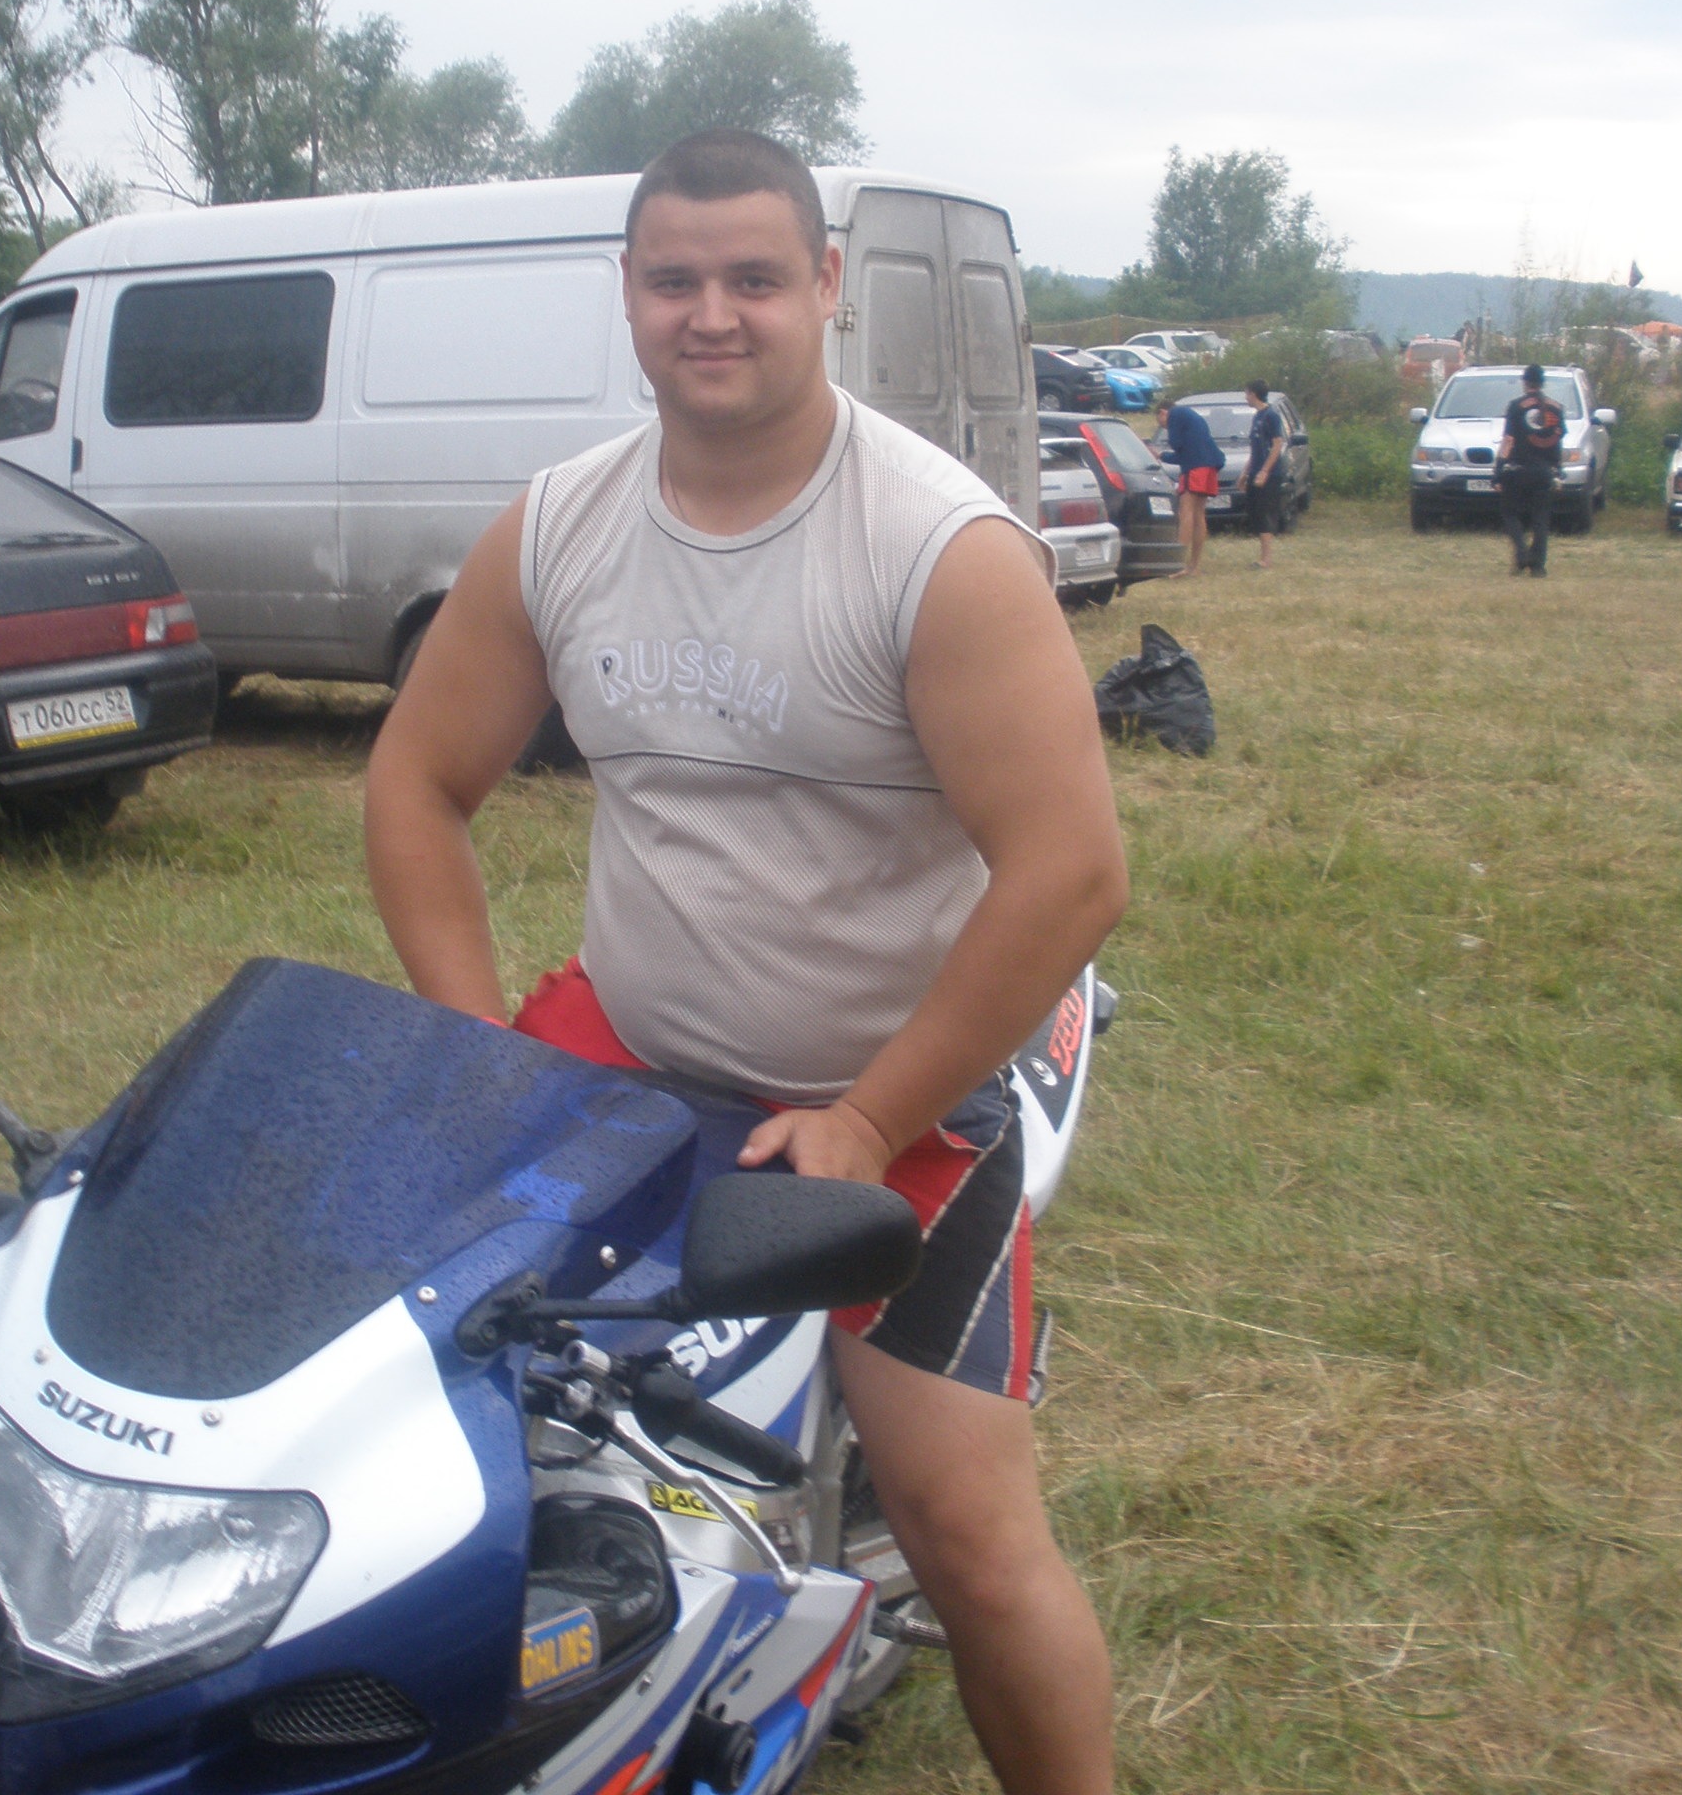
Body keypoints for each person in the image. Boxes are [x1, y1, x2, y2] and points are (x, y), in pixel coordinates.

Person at [367, 130, 1127, 1795]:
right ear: (628, 295)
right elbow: (415, 783)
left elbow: (1071, 873)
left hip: (897, 1104)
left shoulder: (938, 548)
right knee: (421, 1384)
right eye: (675, 281)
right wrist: (470, 1050)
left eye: (755, 279)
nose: (712, 314)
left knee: (970, 1532)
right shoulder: (561, 526)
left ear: (826, 288)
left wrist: (870, 1117)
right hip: (626, 1047)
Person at [1498, 363, 1566, 576]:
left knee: (1510, 513)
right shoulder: (1556, 408)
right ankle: (1537, 566)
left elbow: (1508, 440)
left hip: (1518, 469)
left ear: (1525, 382)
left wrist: (1498, 470)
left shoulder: (1516, 407)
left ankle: (1521, 553)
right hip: (1544, 471)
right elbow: (1557, 441)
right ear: (1542, 383)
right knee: (1541, 518)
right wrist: (1557, 469)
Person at [1155, 393, 1221, 574]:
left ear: (1163, 412)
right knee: (1199, 514)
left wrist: (1163, 450)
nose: (1165, 427)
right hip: (1209, 466)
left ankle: (1178, 564)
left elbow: (1176, 445)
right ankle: (1193, 565)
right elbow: (1183, 454)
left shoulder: (1175, 414)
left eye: (1163, 424)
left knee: (1186, 512)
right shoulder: (1191, 417)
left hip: (1195, 468)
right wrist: (1161, 455)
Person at [1242, 380, 1286, 569]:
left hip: (1269, 474)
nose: (1245, 397)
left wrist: (1265, 471)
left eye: (1246, 393)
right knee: (1255, 512)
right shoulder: (1257, 417)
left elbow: (1277, 445)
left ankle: (1266, 559)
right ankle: (1263, 556)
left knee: (1263, 512)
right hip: (1255, 471)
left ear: (1253, 394)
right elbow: (1255, 450)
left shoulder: (1271, 416)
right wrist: (1245, 473)